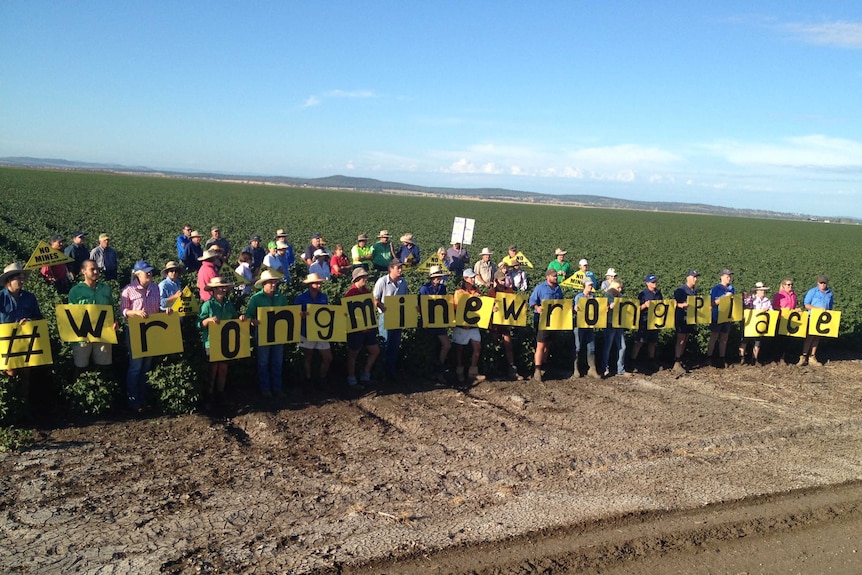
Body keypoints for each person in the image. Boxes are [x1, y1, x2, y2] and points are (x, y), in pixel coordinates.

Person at [120, 260, 169, 410]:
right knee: (135, 366)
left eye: (150, 271)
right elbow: (123, 311)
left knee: (147, 365)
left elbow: (157, 309)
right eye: (146, 271)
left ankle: (143, 398)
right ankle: (133, 400)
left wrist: (165, 312)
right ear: (137, 274)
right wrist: (135, 313)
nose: (149, 273)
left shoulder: (155, 288)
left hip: (152, 332)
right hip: (136, 332)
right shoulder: (128, 290)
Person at [241, 270, 289, 398]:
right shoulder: (255, 299)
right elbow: (248, 316)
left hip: (278, 335)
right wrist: (253, 321)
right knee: (263, 363)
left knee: (277, 362)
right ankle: (265, 389)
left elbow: (288, 313)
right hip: (262, 335)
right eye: (271, 282)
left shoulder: (281, 298)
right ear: (264, 284)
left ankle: (277, 388)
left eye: (275, 282)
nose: (273, 285)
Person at [67, 259, 116, 373]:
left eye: (97, 269)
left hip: (103, 333)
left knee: (103, 366)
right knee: (80, 367)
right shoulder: (75, 291)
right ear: (83, 271)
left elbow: (111, 308)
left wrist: (114, 322)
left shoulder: (105, 289)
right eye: (92, 269)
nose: (95, 272)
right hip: (82, 336)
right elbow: (72, 315)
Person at [0, 263, 43, 387]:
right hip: (6, 341)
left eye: (22, 277)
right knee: (10, 371)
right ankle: (13, 399)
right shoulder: (1, 297)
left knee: (26, 371)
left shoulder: (29, 297)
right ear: (9, 280)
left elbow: (38, 317)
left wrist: (29, 320)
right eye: (19, 278)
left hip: (25, 339)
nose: (22, 280)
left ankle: (25, 402)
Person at [198, 277, 238, 407]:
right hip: (211, 341)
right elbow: (199, 324)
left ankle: (220, 393)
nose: (224, 289)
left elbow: (235, 318)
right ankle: (209, 395)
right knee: (213, 369)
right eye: (221, 287)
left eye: (225, 287)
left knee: (223, 368)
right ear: (214, 289)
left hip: (226, 342)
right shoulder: (207, 305)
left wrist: (241, 318)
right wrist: (208, 320)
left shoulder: (229, 304)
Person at [343, 267, 380, 389]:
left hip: (368, 329)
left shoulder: (367, 291)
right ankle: (351, 379)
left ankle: (365, 375)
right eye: (363, 277)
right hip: (356, 330)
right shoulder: (350, 294)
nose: (366, 279)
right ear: (357, 279)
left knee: (375, 351)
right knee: (353, 354)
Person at [373, 258, 408, 381]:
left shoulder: (403, 282)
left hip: (398, 316)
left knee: (395, 345)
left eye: (401, 267)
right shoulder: (382, 282)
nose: (400, 269)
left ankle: (391, 372)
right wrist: (383, 307)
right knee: (385, 345)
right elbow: (375, 299)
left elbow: (406, 299)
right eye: (398, 267)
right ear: (390, 269)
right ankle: (381, 373)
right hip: (385, 317)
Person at [295, 272, 333, 384]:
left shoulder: (324, 297)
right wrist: (301, 314)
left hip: (321, 332)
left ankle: (321, 378)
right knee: (308, 357)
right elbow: (294, 313)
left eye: (320, 283)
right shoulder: (301, 298)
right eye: (317, 283)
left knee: (328, 358)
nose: (319, 285)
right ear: (310, 284)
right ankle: (309, 380)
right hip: (306, 331)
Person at [418, 265, 451, 384]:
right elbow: (420, 306)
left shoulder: (442, 288)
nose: (438, 279)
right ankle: (430, 372)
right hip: (428, 322)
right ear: (432, 278)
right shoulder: (424, 289)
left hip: (439, 321)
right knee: (431, 347)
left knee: (446, 345)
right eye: (436, 277)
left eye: (440, 276)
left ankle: (439, 368)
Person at [452, 269, 486, 386]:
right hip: (462, 325)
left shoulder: (477, 290)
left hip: (473, 325)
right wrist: (472, 297)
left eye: (473, 277)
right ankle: (459, 371)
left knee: (477, 347)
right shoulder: (459, 292)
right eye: (471, 278)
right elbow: (458, 306)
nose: (473, 279)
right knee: (459, 349)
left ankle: (473, 372)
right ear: (465, 279)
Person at [528, 268, 563, 381]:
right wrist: (537, 307)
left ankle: (544, 365)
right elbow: (532, 301)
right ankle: (537, 370)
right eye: (553, 276)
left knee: (548, 344)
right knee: (540, 344)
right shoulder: (540, 288)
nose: (555, 277)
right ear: (547, 277)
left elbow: (561, 302)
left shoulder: (558, 288)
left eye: (556, 276)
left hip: (553, 322)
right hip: (542, 321)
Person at [488, 269, 522, 380]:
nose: (503, 282)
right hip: (494, 324)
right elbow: (485, 307)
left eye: (504, 280)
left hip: (505, 323)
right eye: (501, 280)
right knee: (494, 345)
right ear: (496, 281)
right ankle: (493, 369)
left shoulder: (510, 291)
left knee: (508, 345)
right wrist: (491, 308)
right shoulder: (491, 293)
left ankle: (512, 369)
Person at [799, 275, 834, 367]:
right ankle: (803, 356)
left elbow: (830, 306)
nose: (823, 284)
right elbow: (806, 305)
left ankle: (812, 357)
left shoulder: (830, 293)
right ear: (818, 283)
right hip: (812, 316)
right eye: (821, 283)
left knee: (817, 337)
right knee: (810, 336)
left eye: (824, 283)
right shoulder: (812, 292)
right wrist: (818, 309)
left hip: (823, 318)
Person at [630, 274, 663, 372]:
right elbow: (636, 309)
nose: (654, 283)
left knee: (653, 342)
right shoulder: (643, 294)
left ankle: (651, 361)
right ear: (647, 283)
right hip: (644, 320)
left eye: (655, 281)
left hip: (655, 321)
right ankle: (633, 361)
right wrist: (644, 305)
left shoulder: (658, 294)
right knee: (639, 341)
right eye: (652, 282)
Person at [600, 280, 630, 378]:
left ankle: (620, 369)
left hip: (619, 324)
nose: (620, 290)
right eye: (618, 288)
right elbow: (602, 310)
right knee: (607, 347)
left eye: (620, 288)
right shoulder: (606, 296)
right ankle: (605, 368)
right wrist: (609, 307)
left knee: (623, 347)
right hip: (609, 324)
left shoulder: (620, 297)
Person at [706, 268, 735, 368]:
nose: (729, 278)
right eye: (727, 276)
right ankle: (709, 358)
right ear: (721, 277)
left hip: (727, 317)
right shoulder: (716, 289)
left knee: (724, 338)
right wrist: (724, 298)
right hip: (717, 316)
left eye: (730, 276)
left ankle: (722, 358)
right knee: (714, 337)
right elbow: (712, 303)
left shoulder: (732, 288)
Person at [672, 270, 700, 374]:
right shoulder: (680, 290)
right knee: (681, 339)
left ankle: (681, 360)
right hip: (681, 317)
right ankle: (677, 361)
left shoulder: (694, 291)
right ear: (688, 278)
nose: (695, 279)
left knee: (686, 338)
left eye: (696, 277)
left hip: (690, 318)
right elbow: (673, 303)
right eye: (694, 277)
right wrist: (681, 305)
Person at [739, 281, 773, 366]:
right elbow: (746, 309)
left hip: (760, 324)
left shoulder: (767, 300)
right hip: (750, 322)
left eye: (764, 291)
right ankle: (742, 358)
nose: (763, 292)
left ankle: (754, 359)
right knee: (745, 340)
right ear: (756, 291)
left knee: (758, 341)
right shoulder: (751, 299)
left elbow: (772, 311)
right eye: (761, 290)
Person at [573, 278, 601, 379]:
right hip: (579, 326)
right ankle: (576, 369)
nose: (591, 287)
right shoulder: (578, 297)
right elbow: (576, 307)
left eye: (591, 285)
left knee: (591, 347)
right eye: (589, 285)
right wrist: (576, 308)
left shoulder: (593, 297)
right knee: (578, 347)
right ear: (584, 286)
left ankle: (592, 369)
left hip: (589, 326)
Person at [772, 278, 798, 365]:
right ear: (783, 286)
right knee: (778, 339)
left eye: (791, 284)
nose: (790, 286)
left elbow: (793, 307)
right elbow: (774, 306)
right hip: (780, 318)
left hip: (789, 320)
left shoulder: (794, 295)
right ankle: (775, 358)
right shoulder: (779, 295)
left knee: (786, 340)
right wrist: (782, 309)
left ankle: (783, 357)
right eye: (788, 284)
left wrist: (796, 309)